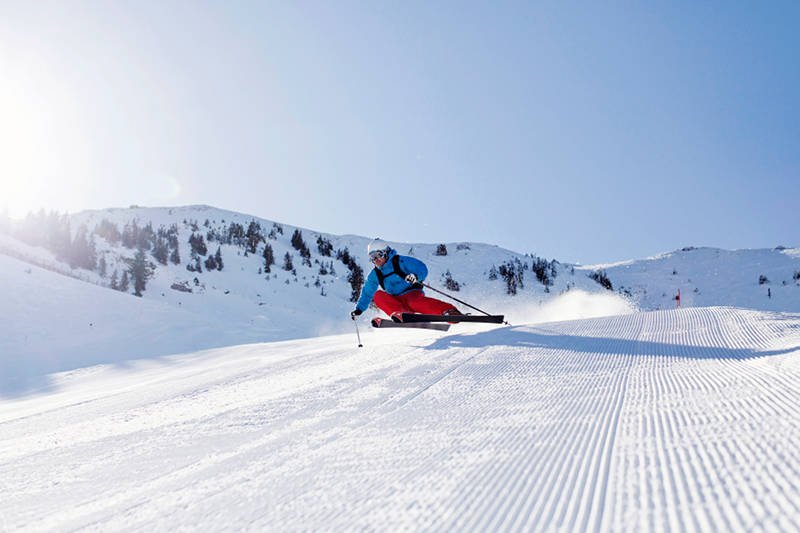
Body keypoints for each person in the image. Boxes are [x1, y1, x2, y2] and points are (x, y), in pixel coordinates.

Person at [351, 239, 461, 322]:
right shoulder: (376, 273)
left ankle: (448, 312)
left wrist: (415, 277)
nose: (376, 260)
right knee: (378, 295)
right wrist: (359, 309)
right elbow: (367, 291)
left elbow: (421, 268)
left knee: (415, 303)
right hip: (395, 300)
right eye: (372, 257)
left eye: (378, 255)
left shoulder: (400, 261)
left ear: (386, 252)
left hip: (411, 294)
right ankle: (403, 314)